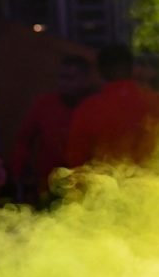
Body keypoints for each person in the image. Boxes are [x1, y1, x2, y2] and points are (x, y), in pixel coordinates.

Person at [66, 44, 159, 168]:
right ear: (132, 68)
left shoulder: (88, 109)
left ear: (101, 71)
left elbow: (76, 160)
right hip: (152, 182)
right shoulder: (157, 103)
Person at [11, 54, 96, 206]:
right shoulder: (45, 104)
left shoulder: (97, 106)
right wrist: (19, 171)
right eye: (61, 77)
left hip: (86, 187)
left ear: (85, 80)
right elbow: (23, 139)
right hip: (49, 185)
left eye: (70, 78)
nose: (64, 83)